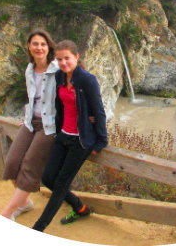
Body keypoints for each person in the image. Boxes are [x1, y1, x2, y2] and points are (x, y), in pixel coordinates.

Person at [32, 40, 108, 232]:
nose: (63, 63)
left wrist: (101, 141)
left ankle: (39, 227)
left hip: (80, 141)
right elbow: (59, 105)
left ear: (76, 57)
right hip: (63, 135)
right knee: (48, 178)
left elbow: (98, 111)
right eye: (59, 59)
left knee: (60, 185)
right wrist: (56, 130)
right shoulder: (59, 76)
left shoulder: (87, 79)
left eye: (67, 58)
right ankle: (80, 207)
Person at [0, 29, 59, 220]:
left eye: (43, 44)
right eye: (35, 44)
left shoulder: (57, 69)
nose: (39, 48)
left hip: (49, 126)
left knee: (29, 165)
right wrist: (25, 118)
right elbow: (32, 97)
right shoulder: (29, 69)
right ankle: (24, 203)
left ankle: (7, 213)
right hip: (30, 122)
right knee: (11, 162)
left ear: (48, 46)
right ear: (29, 46)